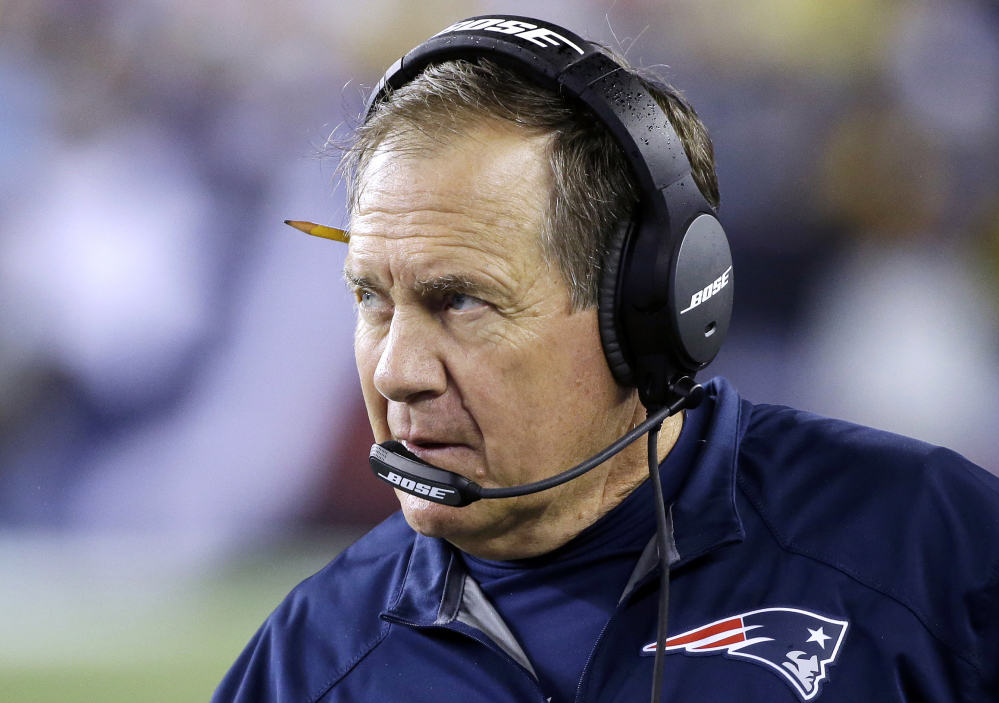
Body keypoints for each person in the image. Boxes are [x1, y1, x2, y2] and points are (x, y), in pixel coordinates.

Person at [213, 17, 999, 703]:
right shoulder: (309, 659)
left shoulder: (930, 545)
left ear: (653, 312)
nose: (395, 373)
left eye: (460, 301)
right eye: (371, 299)